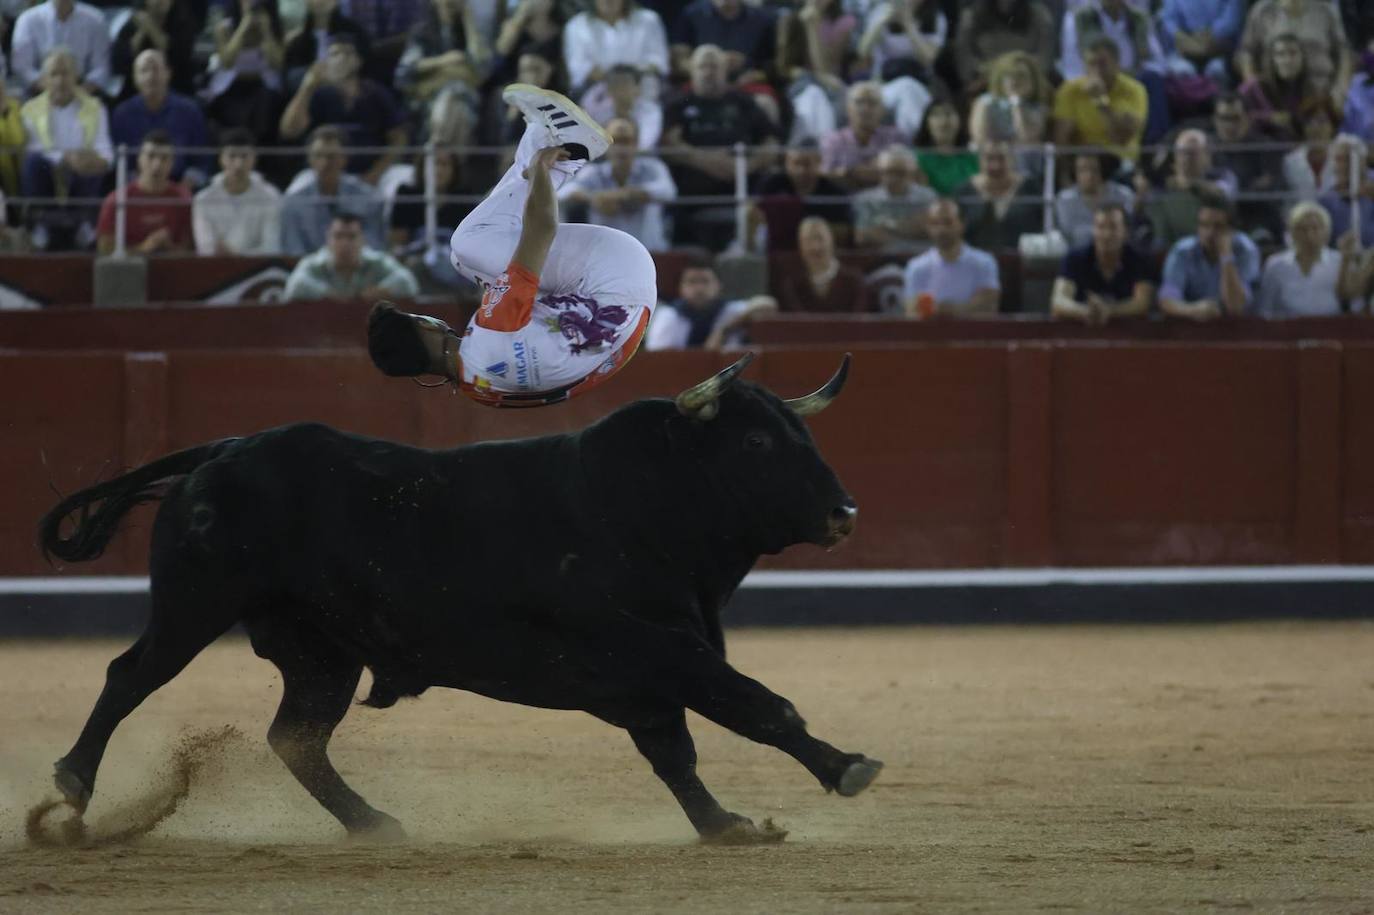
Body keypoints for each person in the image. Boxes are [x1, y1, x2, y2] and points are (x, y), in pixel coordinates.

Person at [367, 83, 659, 408]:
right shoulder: (494, 327)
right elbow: (541, 228)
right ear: (427, 329)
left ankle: (542, 135)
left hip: (625, 324)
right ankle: (568, 150)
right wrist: (541, 176)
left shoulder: (480, 390)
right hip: (615, 271)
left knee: (464, 260)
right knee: (468, 243)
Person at [661, 44, 780, 247]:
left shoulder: (744, 102)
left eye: (714, 66)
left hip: (743, 194)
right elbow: (670, 145)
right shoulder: (677, 103)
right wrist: (708, 161)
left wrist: (745, 166)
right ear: (692, 70)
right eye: (703, 66)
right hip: (691, 198)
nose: (708, 72)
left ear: (725, 70)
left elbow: (772, 142)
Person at [280, 34, 408, 182]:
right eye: (335, 54)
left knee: (403, 178)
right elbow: (289, 131)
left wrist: (375, 173)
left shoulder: (376, 93)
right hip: (322, 174)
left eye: (348, 53)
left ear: (358, 61)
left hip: (371, 174)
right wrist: (307, 87)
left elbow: (399, 138)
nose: (342, 58)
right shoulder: (317, 93)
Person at [21, 49, 112, 251]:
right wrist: (66, 158)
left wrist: (94, 161)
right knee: (33, 164)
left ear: (76, 76)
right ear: (44, 79)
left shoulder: (95, 107)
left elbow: (106, 152)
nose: (60, 80)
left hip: (81, 175)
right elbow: (32, 149)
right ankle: (41, 227)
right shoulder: (29, 109)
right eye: (54, 74)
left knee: (93, 167)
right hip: (47, 174)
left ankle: (83, 227)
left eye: (66, 73)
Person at [559, 117, 677, 252]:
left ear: (637, 143)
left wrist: (625, 194)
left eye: (626, 141)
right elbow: (563, 193)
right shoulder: (594, 172)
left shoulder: (652, 167)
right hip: (607, 253)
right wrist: (592, 198)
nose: (621, 148)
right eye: (615, 141)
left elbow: (668, 191)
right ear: (606, 144)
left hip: (650, 252)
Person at [110, 50, 212, 188]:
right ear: (135, 78)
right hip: (138, 189)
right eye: (144, 70)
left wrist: (180, 191)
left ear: (168, 73)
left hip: (182, 188)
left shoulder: (189, 111)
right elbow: (121, 164)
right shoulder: (122, 114)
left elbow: (201, 161)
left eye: (156, 69)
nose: (151, 76)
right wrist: (144, 188)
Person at [280, 126, 386, 254]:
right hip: (309, 270)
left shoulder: (369, 198)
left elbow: (374, 246)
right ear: (309, 159)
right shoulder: (293, 202)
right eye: (318, 155)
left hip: (357, 268)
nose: (324, 163)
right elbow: (293, 250)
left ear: (345, 158)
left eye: (332, 156)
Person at [1159, 190, 1261, 321]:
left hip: (1235, 330)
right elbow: (1167, 301)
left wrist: (1226, 256)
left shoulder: (1246, 251)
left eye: (1218, 226)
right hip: (1191, 327)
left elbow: (1236, 307)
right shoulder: (1182, 251)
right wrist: (1193, 310)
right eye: (1204, 225)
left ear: (1231, 230)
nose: (1210, 233)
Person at [645, 254, 777, 349]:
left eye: (705, 281)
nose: (699, 288)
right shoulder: (669, 316)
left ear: (719, 286)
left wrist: (726, 328)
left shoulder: (731, 310)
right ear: (680, 288)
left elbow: (767, 304)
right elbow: (658, 358)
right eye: (692, 282)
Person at [1051, 201, 1153, 323]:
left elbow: (1142, 304)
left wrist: (1109, 311)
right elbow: (1058, 302)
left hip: (1128, 333)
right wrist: (1086, 311)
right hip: (1082, 332)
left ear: (1125, 233)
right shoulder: (1075, 258)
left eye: (1113, 227)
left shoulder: (1139, 259)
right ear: (1093, 230)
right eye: (1100, 227)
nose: (1106, 234)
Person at [1052, 37, 1148, 165]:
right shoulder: (1069, 91)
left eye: (1102, 64)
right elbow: (1061, 142)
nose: (1097, 70)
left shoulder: (1135, 91)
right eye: (1091, 64)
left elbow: (1122, 139)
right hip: (1082, 163)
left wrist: (1101, 102)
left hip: (1120, 162)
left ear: (1117, 64)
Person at [95, 130, 193, 255]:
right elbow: (104, 250)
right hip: (129, 270)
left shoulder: (183, 198)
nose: (157, 165)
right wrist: (144, 248)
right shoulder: (116, 199)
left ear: (172, 163)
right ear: (139, 159)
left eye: (164, 158)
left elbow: (190, 249)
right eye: (151, 156)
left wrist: (169, 248)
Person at [1257, 201, 1363, 316]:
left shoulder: (1341, 262)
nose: (1309, 234)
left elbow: (1356, 305)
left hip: (1330, 328)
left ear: (1327, 232)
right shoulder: (1276, 265)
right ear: (1291, 232)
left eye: (1315, 228)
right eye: (1302, 229)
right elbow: (1265, 309)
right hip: (1287, 329)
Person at [1140, 129, 1239, 251]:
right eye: (1182, 153)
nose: (1186, 158)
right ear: (1175, 157)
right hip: (1171, 245)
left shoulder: (1222, 175)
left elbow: (1224, 193)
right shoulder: (1163, 186)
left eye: (1193, 153)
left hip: (1212, 244)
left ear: (1207, 156)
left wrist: (1190, 184)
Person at [285, 211, 419, 300]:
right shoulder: (313, 263)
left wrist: (379, 291)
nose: (344, 243)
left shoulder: (377, 261)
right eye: (338, 236)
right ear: (328, 240)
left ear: (363, 240)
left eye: (351, 237)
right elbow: (294, 287)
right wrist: (326, 294)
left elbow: (408, 283)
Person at [205, 0, 287, 144]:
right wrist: (243, 27)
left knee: (266, 104)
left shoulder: (274, 28)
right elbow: (227, 62)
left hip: (263, 87)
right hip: (231, 85)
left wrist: (266, 32)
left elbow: (276, 63)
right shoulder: (225, 27)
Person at [902, 198, 1000, 316]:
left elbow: (988, 309)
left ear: (962, 224)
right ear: (928, 227)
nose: (941, 230)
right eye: (935, 223)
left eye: (948, 222)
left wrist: (941, 310)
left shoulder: (984, 262)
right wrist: (964, 308)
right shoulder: (916, 266)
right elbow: (912, 314)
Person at [193, 128, 283, 255]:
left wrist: (236, 255)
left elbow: (272, 248)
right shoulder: (203, 199)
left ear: (254, 159)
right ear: (221, 158)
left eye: (244, 156)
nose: (238, 164)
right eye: (232, 156)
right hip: (214, 269)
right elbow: (206, 249)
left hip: (260, 270)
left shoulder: (271, 196)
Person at [750, 139, 851, 252]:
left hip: (819, 250)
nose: (801, 170)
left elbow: (843, 232)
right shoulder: (770, 185)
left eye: (807, 164)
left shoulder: (835, 193)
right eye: (796, 163)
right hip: (776, 249)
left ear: (819, 162)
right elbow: (753, 212)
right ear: (787, 162)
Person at [1236, 0, 1351, 99]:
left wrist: (1340, 91)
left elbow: (1344, 53)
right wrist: (1255, 91)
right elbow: (1247, 52)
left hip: (1320, 92)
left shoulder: (1326, 10)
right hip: (1273, 94)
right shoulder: (1262, 11)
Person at [562, 0, 669, 99]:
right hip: (597, 95)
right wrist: (619, 79)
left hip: (642, 93)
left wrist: (625, 79)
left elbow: (658, 63)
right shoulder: (576, 26)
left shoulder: (648, 20)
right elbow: (579, 69)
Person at [969, 51, 1051, 174]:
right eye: (1009, 76)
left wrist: (1017, 104)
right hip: (992, 153)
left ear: (1032, 80)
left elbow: (1027, 137)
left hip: (1023, 161)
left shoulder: (1038, 107)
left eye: (1021, 76)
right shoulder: (985, 103)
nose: (1014, 81)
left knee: (1029, 149)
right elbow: (979, 137)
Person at [952, 140, 1043, 250]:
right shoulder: (963, 192)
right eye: (989, 158)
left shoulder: (1031, 188)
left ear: (1012, 159)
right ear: (980, 160)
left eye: (1002, 158)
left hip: (1022, 259)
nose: (996, 166)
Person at [10, 0, 111, 95]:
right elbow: (22, 67)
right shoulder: (27, 20)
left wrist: (77, 93)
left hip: (83, 90)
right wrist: (55, 90)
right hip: (39, 90)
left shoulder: (95, 19)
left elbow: (101, 68)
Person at [952, 0, 1056, 91]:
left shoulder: (1039, 15)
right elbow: (964, 57)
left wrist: (1025, 73)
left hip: (1029, 80)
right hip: (984, 81)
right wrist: (994, 74)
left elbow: (1045, 56)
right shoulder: (972, 16)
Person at [774, 216, 869, 312]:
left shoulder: (854, 280)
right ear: (800, 246)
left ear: (832, 240)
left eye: (820, 238)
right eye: (808, 240)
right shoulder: (791, 284)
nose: (815, 247)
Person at [670, 0, 777, 85]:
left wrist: (755, 73)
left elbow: (774, 63)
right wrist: (709, 65)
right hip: (700, 85)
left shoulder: (764, 20)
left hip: (747, 83)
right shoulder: (691, 15)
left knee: (764, 102)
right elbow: (678, 60)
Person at [820, 81, 905, 190]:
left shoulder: (896, 137)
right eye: (859, 102)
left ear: (882, 110)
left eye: (872, 103)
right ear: (847, 108)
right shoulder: (832, 140)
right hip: (843, 200)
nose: (865, 108)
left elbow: (900, 174)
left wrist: (849, 172)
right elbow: (826, 174)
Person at [1238, 32, 1321, 141]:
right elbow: (1235, 117)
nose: (1287, 60)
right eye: (1280, 54)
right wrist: (1269, 119)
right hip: (1258, 147)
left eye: (1293, 53)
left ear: (1302, 57)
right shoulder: (1254, 87)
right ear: (1272, 59)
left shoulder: (1311, 89)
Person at [110, 0, 202, 99]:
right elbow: (120, 62)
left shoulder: (183, 21)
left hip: (177, 87)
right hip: (136, 91)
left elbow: (177, 57)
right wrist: (142, 31)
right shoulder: (132, 23)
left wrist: (150, 27)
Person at [853, 144, 937, 251]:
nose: (893, 178)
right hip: (882, 260)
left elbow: (932, 231)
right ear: (880, 172)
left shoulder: (928, 196)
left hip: (923, 258)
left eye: (900, 173)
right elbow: (862, 237)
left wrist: (886, 225)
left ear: (913, 173)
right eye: (888, 172)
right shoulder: (865, 199)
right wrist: (911, 227)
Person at [1056, 152, 1134, 249]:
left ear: (1102, 170)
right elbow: (1068, 233)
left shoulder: (1123, 195)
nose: (1089, 175)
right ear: (1075, 173)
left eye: (1094, 169)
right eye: (1082, 170)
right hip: (1079, 254)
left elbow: (1127, 230)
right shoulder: (1065, 200)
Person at [1159, 0, 1244, 85]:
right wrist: (1181, 36)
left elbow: (1230, 21)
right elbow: (1168, 21)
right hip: (1184, 50)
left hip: (1219, 51)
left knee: (1217, 70)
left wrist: (1209, 36)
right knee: (1182, 71)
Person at [581, 63, 663, 150]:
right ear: (608, 89)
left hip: (642, 159)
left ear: (638, 88)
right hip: (606, 160)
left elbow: (645, 144)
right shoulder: (599, 112)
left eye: (625, 83)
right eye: (616, 83)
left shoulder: (650, 111)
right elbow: (591, 143)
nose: (621, 88)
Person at [1319, 134, 1374, 249]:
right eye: (1339, 159)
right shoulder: (1326, 198)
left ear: (1363, 160)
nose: (1344, 165)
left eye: (1349, 159)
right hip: (1342, 258)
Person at [1282, 96, 1340, 202]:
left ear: (1333, 126)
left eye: (1321, 121)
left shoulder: (1343, 159)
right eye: (1309, 121)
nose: (1315, 127)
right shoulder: (1290, 163)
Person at [913, 99, 977, 196]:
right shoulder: (916, 159)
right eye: (936, 115)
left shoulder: (972, 158)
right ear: (926, 122)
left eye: (949, 114)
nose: (944, 121)